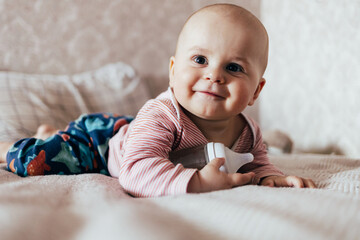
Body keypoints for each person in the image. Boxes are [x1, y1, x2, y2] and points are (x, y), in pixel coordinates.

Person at [0, 3, 316, 197]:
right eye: (200, 60)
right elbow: (135, 173)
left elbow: (256, 163)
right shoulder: (163, 116)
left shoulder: (250, 132)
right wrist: (197, 184)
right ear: (173, 72)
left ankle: (51, 131)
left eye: (233, 68)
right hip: (101, 142)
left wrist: (272, 177)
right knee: (37, 162)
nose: (214, 76)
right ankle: (20, 144)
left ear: (256, 92)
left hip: (131, 130)